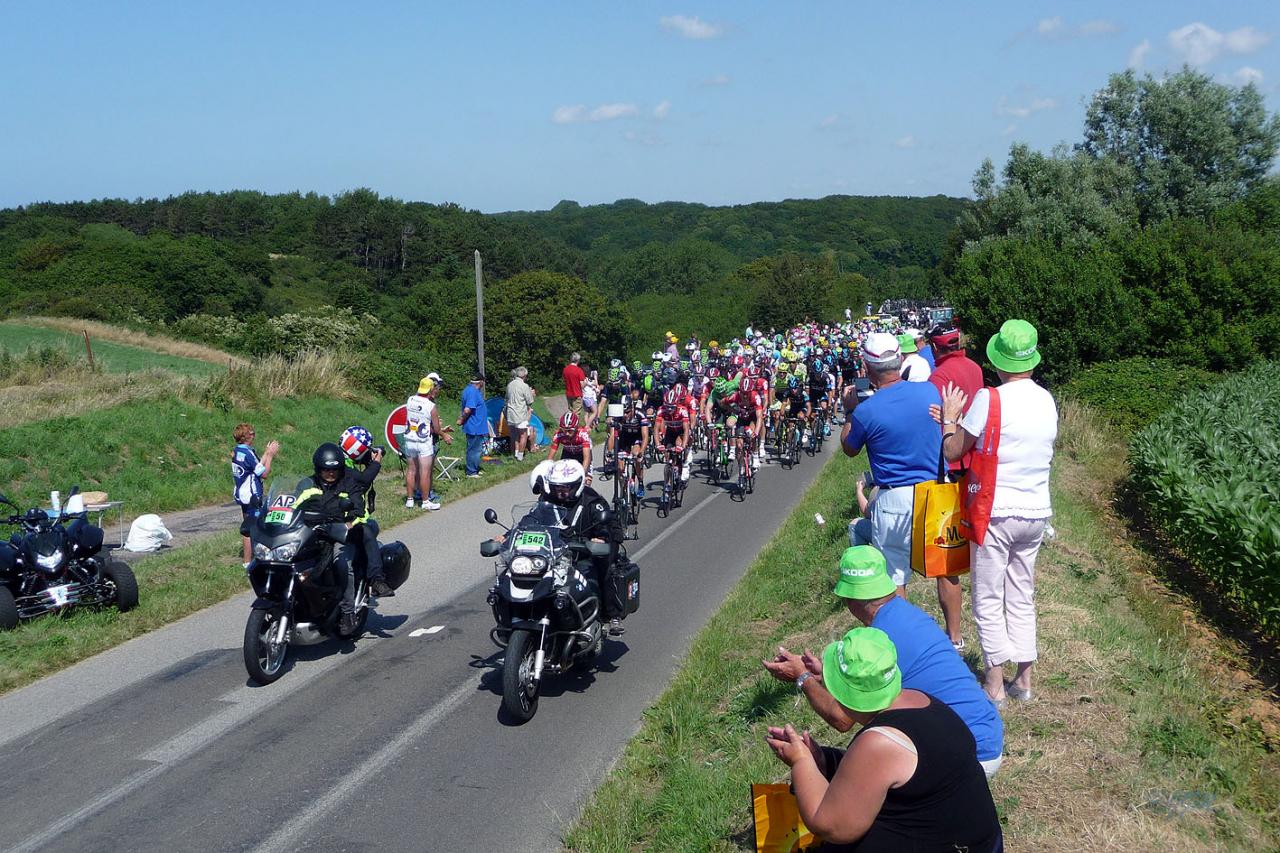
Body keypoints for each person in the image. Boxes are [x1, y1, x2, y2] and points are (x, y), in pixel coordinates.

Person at [763, 546, 1004, 778]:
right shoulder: (907, 615)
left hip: (970, 756)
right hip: (986, 735)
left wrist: (802, 678)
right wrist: (827, 676)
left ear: (849, 600)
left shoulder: (881, 638)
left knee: (863, 776)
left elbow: (843, 718)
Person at [765, 627, 1001, 852]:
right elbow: (886, 775)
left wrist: (800, 762)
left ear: (843, 694)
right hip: (978, 842)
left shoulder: (880, 742)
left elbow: (832, 826)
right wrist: (823, 759)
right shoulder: (921, 700)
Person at [936, 319, 1057, 705]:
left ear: (999, 361)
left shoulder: (991, 399)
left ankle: (993, 681)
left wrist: (949, 420)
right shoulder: (1047, 399)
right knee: (1022, 593)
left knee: (988, 595)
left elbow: (954, 450)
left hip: (995, 510)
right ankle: (1024, 679)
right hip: (1035, 510)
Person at [841, 334, 965, 648]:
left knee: (895, 575)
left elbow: (849, 448)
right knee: (946, 569)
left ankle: (904, 643)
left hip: (893, 497)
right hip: (935, 490)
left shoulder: (867, 411)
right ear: (900, 361)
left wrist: (849, 410)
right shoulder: (929, 391)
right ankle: (955, 637)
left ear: (868, 368)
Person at [540, 458, 628, 636]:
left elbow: (604, 526)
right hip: (559, 548)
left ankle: (612, 615)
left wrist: (600, 538)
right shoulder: (547, 499)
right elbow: (533, 518)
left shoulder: (592, 500)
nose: (561, 491)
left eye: (566, 487)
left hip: (590, 546)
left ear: (577, 485)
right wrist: (508, 535)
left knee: (603, 567)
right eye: (557, 487)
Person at [296, 443, 376, 635]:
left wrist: (347, 524)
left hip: (340, 534)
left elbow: (360, 510)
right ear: (318, 469)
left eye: (334, 470)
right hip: (312, 534)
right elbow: (292, 505)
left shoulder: (347, 484)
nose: (330, 473)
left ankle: (348, 613)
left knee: (342, 564)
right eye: (326, 470)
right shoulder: (307, 484)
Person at [338, 426, 392, 597]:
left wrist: (370, 460)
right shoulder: (340, 464)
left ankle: (377, 580)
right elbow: (363, 479)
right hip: (333, 517)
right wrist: (376, 462)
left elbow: (360, 482)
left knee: (367, 532)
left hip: (350, 518)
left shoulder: (341, 459)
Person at [232, 423, 279, 567]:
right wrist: (270, 455)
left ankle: (251, 559)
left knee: (249, 525)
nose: (254, 436)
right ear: (246, 437)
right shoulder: (247, 453)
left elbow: (256, 466)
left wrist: (265, 452)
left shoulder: (239, 451)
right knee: (253, 527)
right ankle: (250, 561)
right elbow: (263, 473)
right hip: (252, 496)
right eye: (252, 433)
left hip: (243, 494)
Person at [546, 411, 593, 484]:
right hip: (567, 453)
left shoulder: (583, 434)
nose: (567, 433)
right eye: (564, 430)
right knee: (561, 479)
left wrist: (583, 474)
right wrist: (546, 470)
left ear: (576, 428)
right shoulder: (559, 434)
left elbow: (586, 458)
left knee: (586, 481)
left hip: (582, 454)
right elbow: (550, 457)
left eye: (570, 431)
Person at [458, 372, 488, 478]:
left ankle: (475, 468)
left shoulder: (470, 390)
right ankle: (471, 472)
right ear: (481, 382)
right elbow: (467, 409)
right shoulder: (472, 392)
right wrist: (461, 419)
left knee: (476, 449)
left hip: (476, 425)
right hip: (475, 426)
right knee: (474, 450)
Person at [505, 367, 536, 461]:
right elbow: (530, 401)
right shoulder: (524, 386)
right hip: (520, 413)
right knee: (523, 435)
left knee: (514, 435)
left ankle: (514, 453)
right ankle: (520, 456)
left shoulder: (509, 385)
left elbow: (506, 398)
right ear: (525, 376)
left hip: (510, 413)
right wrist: (532, 394)